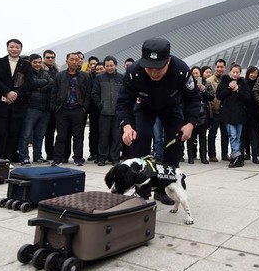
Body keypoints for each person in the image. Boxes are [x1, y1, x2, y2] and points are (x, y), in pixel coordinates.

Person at [116, 38, 200, 205]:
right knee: (141, 137)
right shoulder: (134, 72)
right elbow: (123, 101)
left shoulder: (181, 70)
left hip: (171, 107)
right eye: (149, 68)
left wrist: (190, 124)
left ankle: (163, 190)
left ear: (168, 61)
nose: (154, 73)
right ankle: (142, 189)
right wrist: (126, 125)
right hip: (145, 107)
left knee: (174, 144)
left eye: (159, 68)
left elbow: (193, 98)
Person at [0, 39, 33, 163]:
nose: (14, 49)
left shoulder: (25, 64)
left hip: (19, 104)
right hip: (2, 103)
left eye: (17, 47)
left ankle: (9, 158)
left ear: (21, 49)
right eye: (12, 47)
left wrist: (15, 94)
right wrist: (7, 92)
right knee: (0, 132)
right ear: (7, 48)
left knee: (14, 132)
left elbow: (28, 82)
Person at [50, 52, 91, 166]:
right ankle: (58, 158)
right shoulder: (60, 76)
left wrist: (84, 108)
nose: (74, 62)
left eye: (76, 60)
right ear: (66, 61)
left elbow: (88, 94)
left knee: (78, 136)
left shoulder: (84, 76)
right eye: (71, 59)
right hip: (62, 110)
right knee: (61, 136)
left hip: (78, 110)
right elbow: (54, 93)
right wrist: (54, 108)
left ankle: (78, 158)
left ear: (79, 62)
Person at [18, 53, 53, 165]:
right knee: (26, 134)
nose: (37, 64)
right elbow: (29, 84)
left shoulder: (45, 73)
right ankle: (24, 157)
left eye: (39, 62)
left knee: (40, 135)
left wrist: (39, 88)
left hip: (44, 108)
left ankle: (38, 156)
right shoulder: (25, 73)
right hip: (31, 108)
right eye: (35, 62)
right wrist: (43, 84)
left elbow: (52, 83)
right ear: (30, 62)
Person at [91, 56, 124, 166]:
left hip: (118, 113)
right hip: (104, 112)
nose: (109, 68)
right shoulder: (99, 78)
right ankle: (102, 158)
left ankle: (115, 158)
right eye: (107, 66)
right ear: (104, 66)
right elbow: (94, 93)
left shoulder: (121, 78)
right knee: (103, 136)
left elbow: (125, 94)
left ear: (115, 65)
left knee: (116, 136)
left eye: (111, 65)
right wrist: (100, 105)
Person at [186, 66, 214, 164]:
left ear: (200, 74)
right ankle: (190, 157)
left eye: (197, 73)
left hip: (203, 114)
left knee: (202, 137)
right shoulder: (187, 85)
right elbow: (184, 98)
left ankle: (203, 157)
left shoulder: (206, 83)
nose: (195, 75)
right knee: (190, 137)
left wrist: (204, 90)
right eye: (193, 73)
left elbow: (211, 97)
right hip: (191, 113)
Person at [206, 59, 230, 162]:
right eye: (218, 67)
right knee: (212, 134)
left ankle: (225, 154)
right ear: (215, 67)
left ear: (225, 68)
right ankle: (212, 155)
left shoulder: (228, 80)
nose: (219, 69)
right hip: (214, 111)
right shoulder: (209, 80)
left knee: (225, 134)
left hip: (225, 111)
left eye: (222, 67)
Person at [42, 49, 60, 161]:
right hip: (44, 105)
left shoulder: (57, 71)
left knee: (57, 132)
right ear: (44, 58)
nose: (50, 59)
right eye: (48, 57)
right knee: (48, 132)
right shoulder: (41, 71)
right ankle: (49, 153)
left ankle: (56, 152)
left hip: (56, 106)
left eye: (52, 57)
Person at [242, 66, 259, 164]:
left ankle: (255, 156)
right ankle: (246, 153)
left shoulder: (258, 84)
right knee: (244, 135)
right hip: (244, 112)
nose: (253, 75)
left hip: (255, 113)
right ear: (248, 73)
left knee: (254, 135)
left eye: (255, 73)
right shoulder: (243, 83)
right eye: (252, 73)